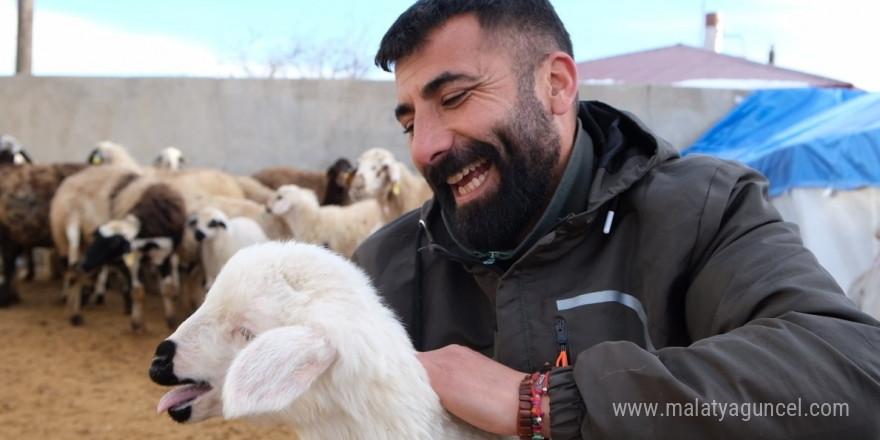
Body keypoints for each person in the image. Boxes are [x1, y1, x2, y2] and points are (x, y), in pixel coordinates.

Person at [352, 0, 880, 438]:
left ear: (556, 85)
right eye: (409, 123)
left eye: (454, 98)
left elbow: (853, 374)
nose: (425, 148)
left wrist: (546, 403)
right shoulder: (386, 267)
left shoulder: (704, 209)